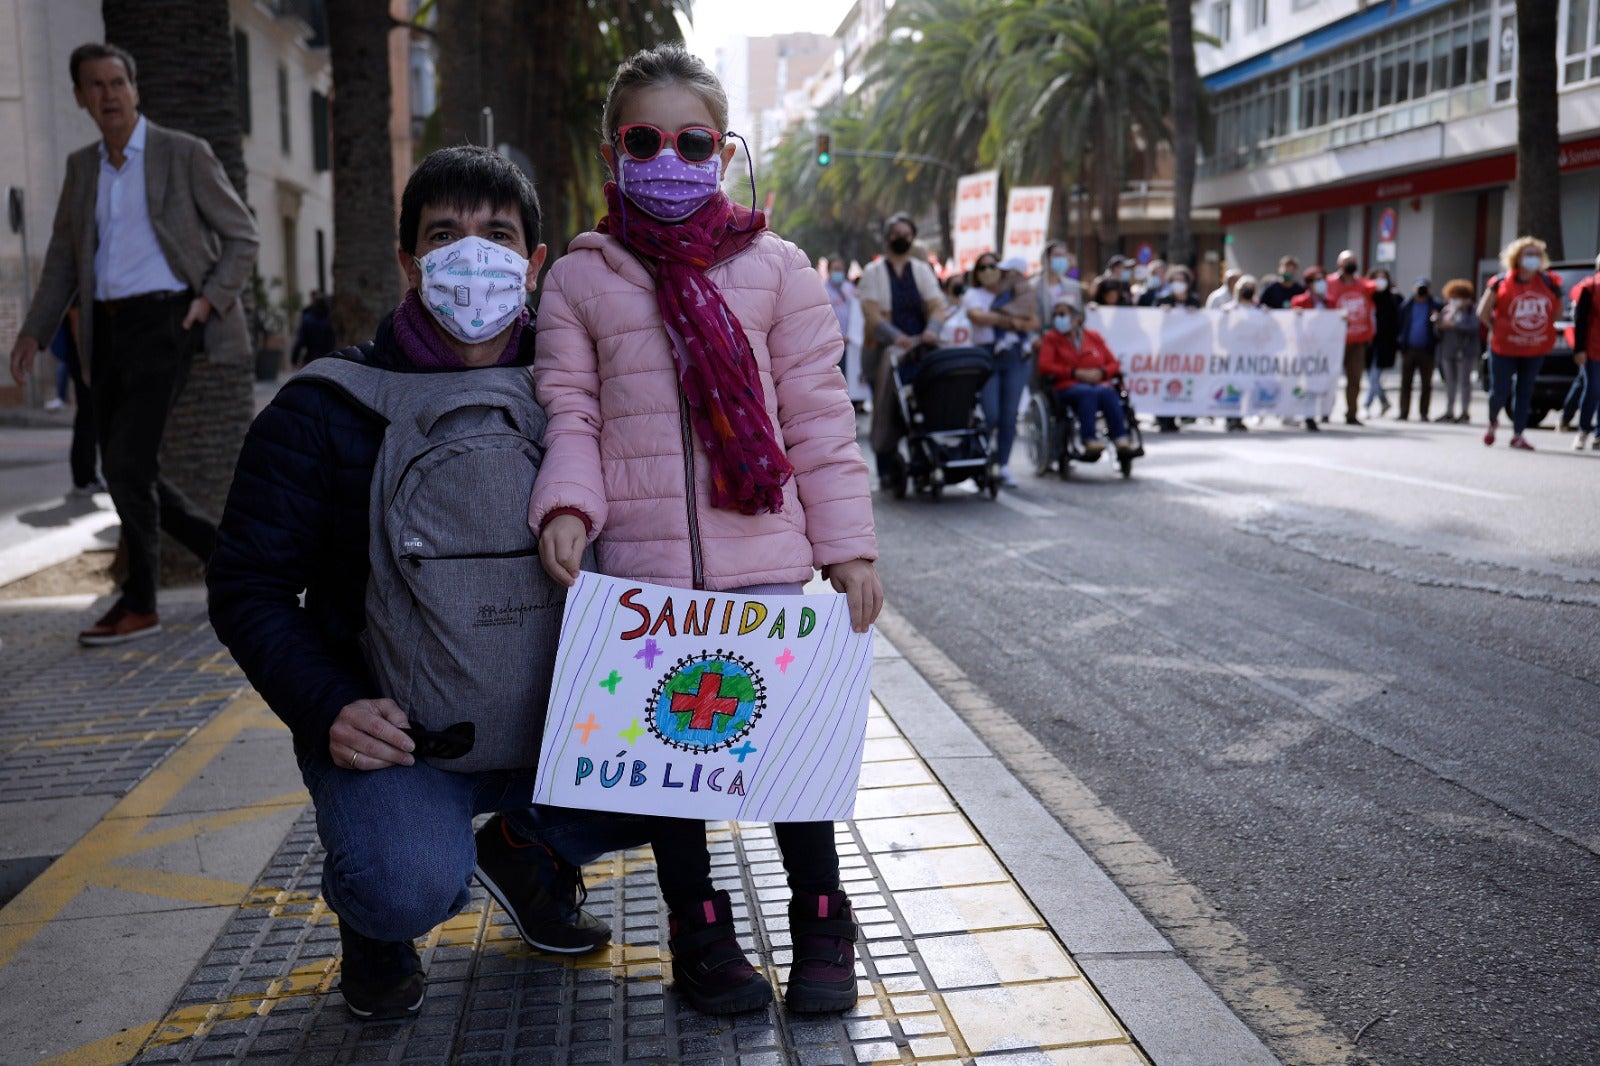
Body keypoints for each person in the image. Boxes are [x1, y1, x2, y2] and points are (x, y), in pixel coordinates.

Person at [207, 146, 644, 1021]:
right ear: (409, 262)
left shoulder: (591, 400)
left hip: (568, 729)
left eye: (497, 236)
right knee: (404, 883)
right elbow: (247, 585)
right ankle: (375, 923)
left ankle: (531, 850)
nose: (470, 256)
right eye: (444, 235)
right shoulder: (324, 410)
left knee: (700, 762)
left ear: (535, 263)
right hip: (403, 735)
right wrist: (327, 703)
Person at [530, 44, 882, 1017]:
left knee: (791, 757)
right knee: (670, 767)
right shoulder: (579, 279)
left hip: (766, 562)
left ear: (722, 150)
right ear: (614, 155)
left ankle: (822, 916)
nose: (669, 156)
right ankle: (700, 929)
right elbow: (573, 415)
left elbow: (816, 416)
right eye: (646, 139)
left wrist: (846, 548)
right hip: (644, 573)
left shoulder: (779, 270)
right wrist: (566, 506)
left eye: (691, 140)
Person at [9, 42, 258, 646]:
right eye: (95, 86)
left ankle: (141, 601)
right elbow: (64, 261)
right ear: (80, 98)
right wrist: (34, 330)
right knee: (127, 466)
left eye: (118, 82)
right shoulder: (81, 168)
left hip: (168, 323)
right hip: (105, 329)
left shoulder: (182, 153)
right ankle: (232, 560)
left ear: (135, 89)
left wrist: (206, 300)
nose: (109, 94)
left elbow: (242, 235)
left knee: (125, 463)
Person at [860, 213, 947, 485]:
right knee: (886, 407)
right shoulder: (873, 272)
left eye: (908, 234)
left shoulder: (921, 271)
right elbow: (871, 313)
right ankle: (886, 467)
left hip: (919, 349)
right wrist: (896, 337)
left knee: (918, 405)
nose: (903, 239)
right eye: (898, 233)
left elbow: (936, 304)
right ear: (888, 238)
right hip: (884, 352)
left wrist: (933, 329)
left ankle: (921, 456)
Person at [1478, 236, 1562, 450]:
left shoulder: (1548, 282)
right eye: (1528, 254)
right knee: (1500, 390)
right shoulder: (1500, 281)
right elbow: (1483, 311)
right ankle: (1492, 420)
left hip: (1534, 347)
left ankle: (1518, 434)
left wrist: (1538, 328)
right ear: (1517, 257)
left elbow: (1556, 313)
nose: (1533, 258)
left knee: (1525, 390)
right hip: (1504, 347)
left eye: (1536, 254)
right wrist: (1497, 328)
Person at [967, 255, 1038, 486]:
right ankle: (981, 460)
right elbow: (977, 317)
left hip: (1015, 356)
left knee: (1009, 416)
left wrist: (1004, 320)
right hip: (986, 356)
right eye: (983, 267)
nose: (988, 270)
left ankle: (1003, 465)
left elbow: (1033, 321)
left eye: (992, 266)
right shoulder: (973, 295)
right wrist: (1012, 320)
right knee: (991, 414)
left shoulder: (1015, 290)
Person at [1037, 298, 1132, 455]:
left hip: (1096, 382)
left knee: (1108, 393)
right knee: (1088, 393)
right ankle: (1089, 439)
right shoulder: (1051, 338)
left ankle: (1120, 437)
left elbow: (1113, 363)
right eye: (1056, 315)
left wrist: (1101, 373)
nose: (1058, 319)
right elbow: (1045, 366)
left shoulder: (1093, 337)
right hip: (1067, 385)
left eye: (1063, 314)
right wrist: (1074, 372)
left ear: (1077, 318)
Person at [49, 312, 104, 495]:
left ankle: (88, 475)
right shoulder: (79, 291)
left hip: (86, 357)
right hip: (85, 359)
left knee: (91, 417)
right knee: (88, 416)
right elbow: (75, 319)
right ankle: (83, 478)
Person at [1322, 250, 1377, 425]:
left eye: (1353, 260)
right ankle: (1325, 411)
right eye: (1347, 261)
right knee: (1330, 378)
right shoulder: (1329, 283)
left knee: (1355, 379)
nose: (1351, 264)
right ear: (1339, 264)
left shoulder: (1364, 284)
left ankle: (1351, 413)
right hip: (1335, 341)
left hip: (1357, 341)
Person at [1288, 267, 1336, 432]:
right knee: (1305, 383)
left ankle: (1318, 413)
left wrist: (1343, 319)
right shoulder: (1299, 301)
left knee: (1321, 381)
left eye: (1322, 279)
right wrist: (1296, 314)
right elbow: (1290, 322)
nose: (1321, 283)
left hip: (1324, 349)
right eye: (1317, 280)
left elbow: (1337, 323)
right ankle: (1302, 414)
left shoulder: (1330, 302)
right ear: (1309, 283)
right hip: (1305, 348)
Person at [822, 253, 868, 406]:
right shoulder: (822, 291)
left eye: (841, 269)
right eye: (835, 269)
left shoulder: (850, 289)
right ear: (828, 271)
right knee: (838, 378)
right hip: (834, 343)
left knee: (852, 377)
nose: (838, 273)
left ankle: (855, 405)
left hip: (852, 342)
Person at [1433, 279, 1481, 424]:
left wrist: (1454, 325)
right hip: (1448, 351)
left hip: (1465, 352)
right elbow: (1439, 332)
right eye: (1452, 296)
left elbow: (1474, 327)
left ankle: (1465, 412)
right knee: (1450, 382)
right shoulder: (1447, 310)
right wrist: (1438, 324)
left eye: (1459, 297)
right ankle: (1449, 412)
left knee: (1464, 382)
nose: (1455, 300)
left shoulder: (1472, 311)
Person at [1396, 277, 1442, 421]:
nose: (1421, 291)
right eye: (1419, 288)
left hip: (1427, 350)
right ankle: (1404, 412)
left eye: (1424, 288)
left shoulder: (1435, 306)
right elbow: (1399, 325)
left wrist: (1437, 318)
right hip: (1409, 349)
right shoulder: (1406, 306)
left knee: (1426, 384)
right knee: (1405, 383)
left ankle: (1423, 413)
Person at [1568, 254, 1600, 449]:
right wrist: (1579, 349)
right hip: (1593, 347)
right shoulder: (1590, 288)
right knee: (1593, 389)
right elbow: (1580, 321)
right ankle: (1583, 431)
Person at [1365, 268, 1398, 419]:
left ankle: (1366, 405)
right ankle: (1384, 401)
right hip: (1367, 342)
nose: (1380, 281)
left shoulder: (1393, 299)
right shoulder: (1367, 297)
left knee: (1374, 377)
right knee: (1370, 377)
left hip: (1384, 343)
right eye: (1376, 278)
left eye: (1383, 277)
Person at [290, 292, 336, 367]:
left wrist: (294, 359)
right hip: (328, 359)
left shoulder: (307, 319)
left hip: (311, 358)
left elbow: (300, 341)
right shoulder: (330, 320)